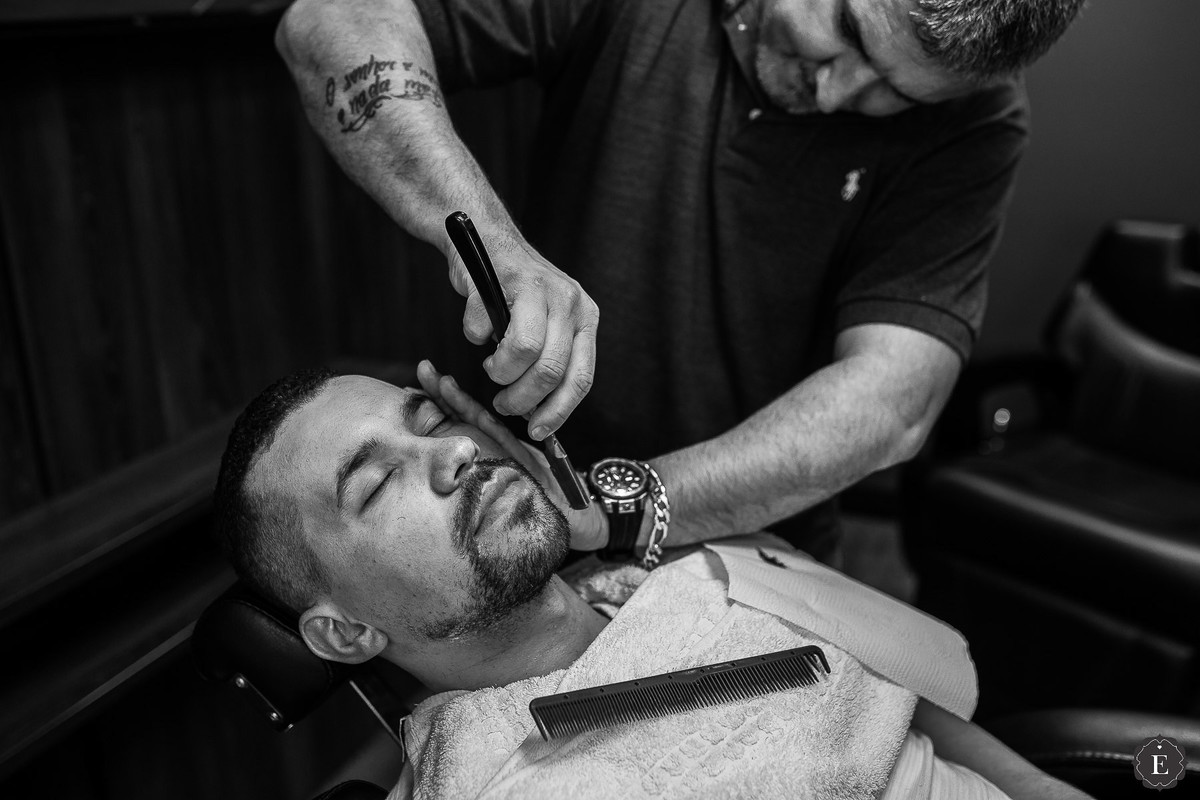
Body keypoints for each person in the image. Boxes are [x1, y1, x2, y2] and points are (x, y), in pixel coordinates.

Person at [273, 0, 1085, 563]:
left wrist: (620, 511)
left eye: (897, 95)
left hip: (758, 539)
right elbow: (328, 25)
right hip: (510, 504)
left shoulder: (979, 121)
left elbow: (892, 399)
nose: (837, 91)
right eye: (847, 31)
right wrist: (494, 243)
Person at [213, 364, 1092, 799]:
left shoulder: (675, 568)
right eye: (375, 484)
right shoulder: (522, 780)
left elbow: (899, 699)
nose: (452, 452)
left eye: (434, 419)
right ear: (344, 633)